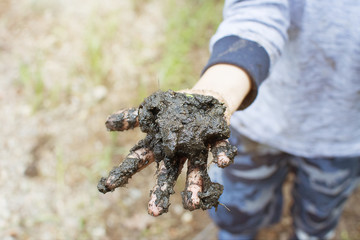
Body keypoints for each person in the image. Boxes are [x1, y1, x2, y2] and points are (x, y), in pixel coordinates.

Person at [191, 0, 360, 239]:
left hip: (343, 137)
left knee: (317, 222)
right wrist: (214, 94)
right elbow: (255, 15)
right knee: (236, 212)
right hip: (259, 122)